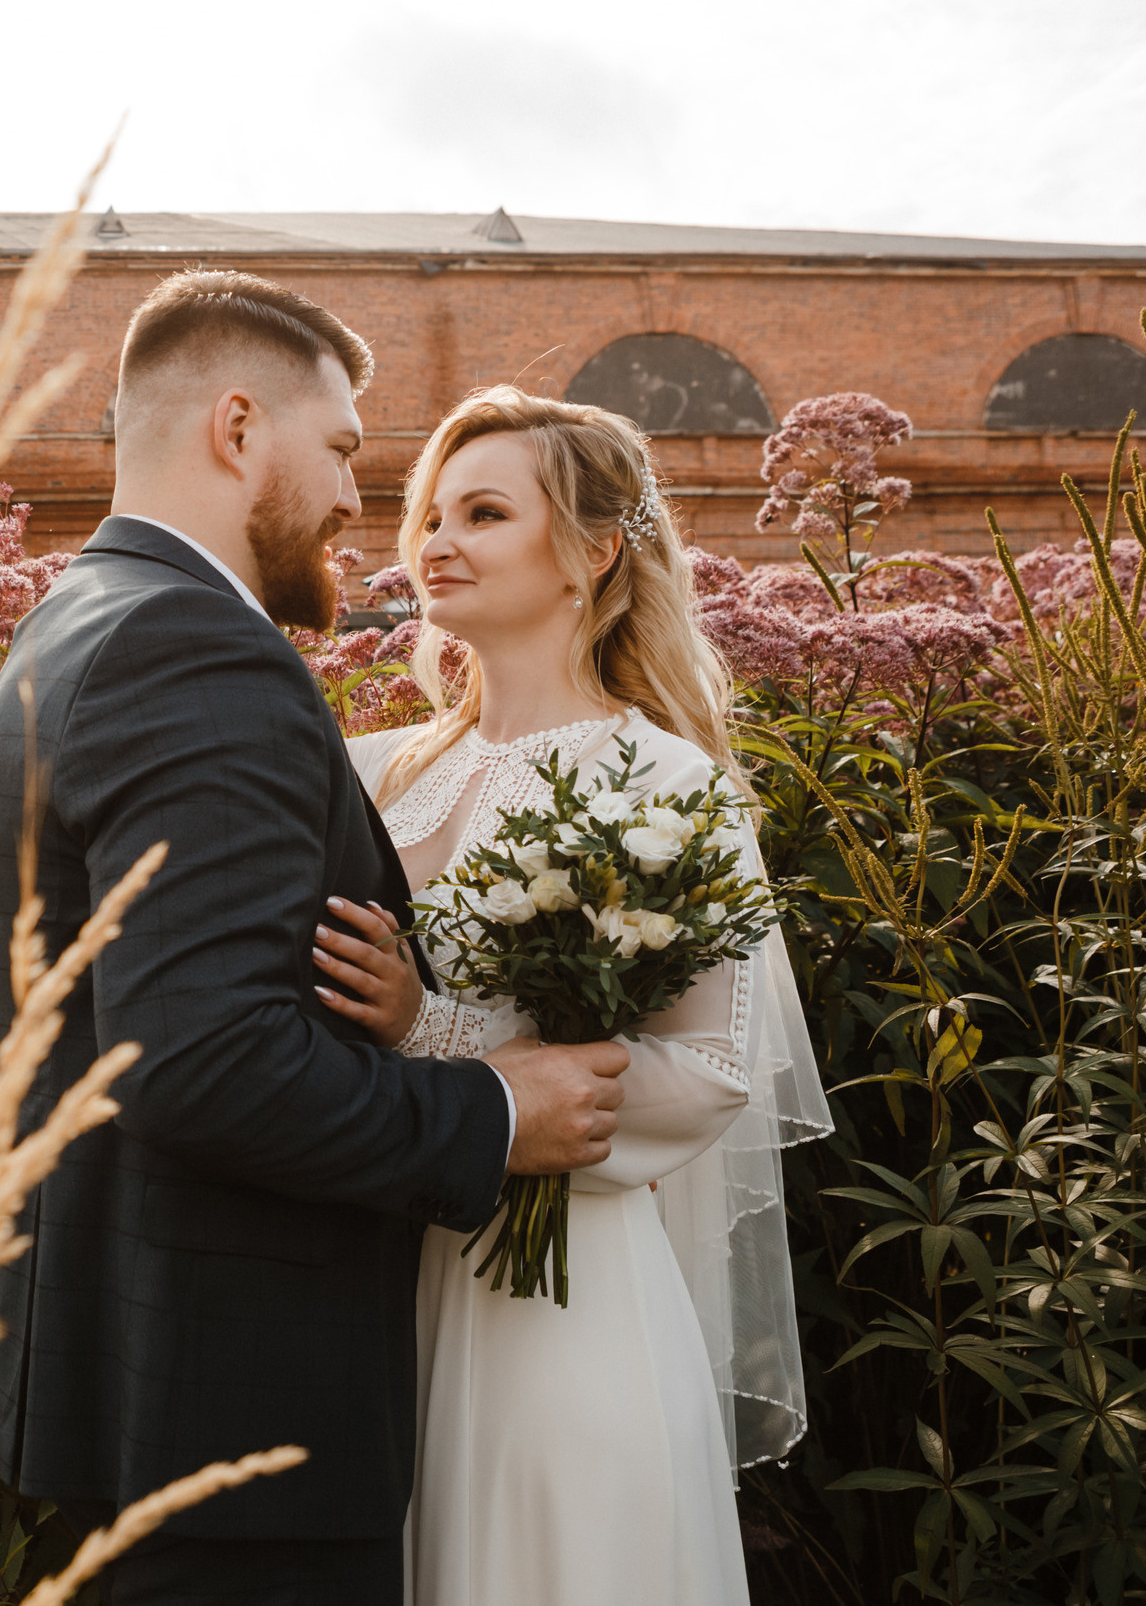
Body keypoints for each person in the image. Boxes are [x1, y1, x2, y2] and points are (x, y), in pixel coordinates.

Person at [0, 272, 631, 1606]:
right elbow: (205, 1061)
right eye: (339, 450)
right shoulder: (192, 647)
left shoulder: (72, 620)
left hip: (129, 1385)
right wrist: (493, 1110)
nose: (354, 502)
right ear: (236, 429)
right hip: (237, 1429)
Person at [320, 385, 833, 1604]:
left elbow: (711, 1070)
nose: (436, 542)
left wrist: (430, 1029)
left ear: (593, 553)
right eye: (430, 514)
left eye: (484, 513)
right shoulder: (366, 774)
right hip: (368, 1297)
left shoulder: (664, 782)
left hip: (561, 1301)